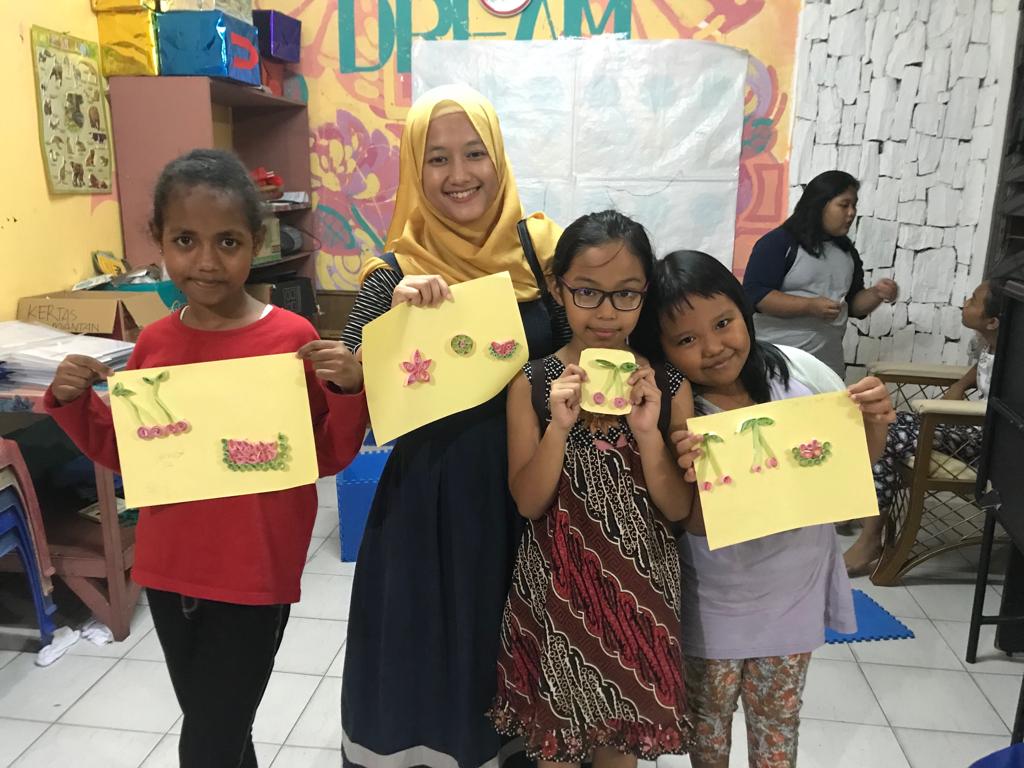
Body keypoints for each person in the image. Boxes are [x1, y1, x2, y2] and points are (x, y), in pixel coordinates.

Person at [45, 149, 368, 768]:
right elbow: (132, 453)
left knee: (208, 744)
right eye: (185, 240)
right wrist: (72, 404)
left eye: (228, 242)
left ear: (256, 243)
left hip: (254, 569)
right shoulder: (157, 342)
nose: (207, 261)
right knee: (219, 725)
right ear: (160, 243)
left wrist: (348, 391)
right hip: (169, 569)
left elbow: (324, 454)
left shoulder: (290, 341)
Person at [339, 85, 564, 768]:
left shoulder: (545, 250)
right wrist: (392, 322)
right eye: (437, 159)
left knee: (524, 647)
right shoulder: (394, 271)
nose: (459, 174)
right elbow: (349, 374)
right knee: (434, 642)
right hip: (432, 499)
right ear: (415, 168)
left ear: (499, 159)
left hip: (538, 492)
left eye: (474, 154)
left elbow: (608, 327)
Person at [641, 250, 895, 768]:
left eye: (723, 323)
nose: (712, 348)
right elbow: (689, 520)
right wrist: (686, 467)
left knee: (777, 725)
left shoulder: (789, 376)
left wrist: (875, 424)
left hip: (792, 590)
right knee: (708, 728)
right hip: (716, 601)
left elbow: (841, 473)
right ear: (663, 350)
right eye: (686, 340)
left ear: (743, 311)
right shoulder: (678, 410)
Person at [489, 211, 695, 765]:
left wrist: (649, 433)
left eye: (625, 295)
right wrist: (558, 425)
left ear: (645, 294)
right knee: (555, 747)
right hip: (556, 591)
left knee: (618, 751)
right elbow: (528, 501)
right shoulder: (531, 384)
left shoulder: (670, 386)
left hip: (641, 594)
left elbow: (678, 509)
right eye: (587, 292)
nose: (606, 312)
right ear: (558, 289)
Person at [843, 279, 1002, 575]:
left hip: (985, 441)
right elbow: (980, 368)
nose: (965, 302)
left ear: (993, 321)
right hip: (966, 426)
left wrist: (955, 407)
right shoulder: (990, 345)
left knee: (889, 434)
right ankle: (860, 513)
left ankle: (869, 539)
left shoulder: (1014, 360)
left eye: (974, 301)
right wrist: (961, 384)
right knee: (874, 422)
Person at [743, 170, 899, 376]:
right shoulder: (778, 243)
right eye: (844, 205)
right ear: (819, 204)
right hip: (775, 364)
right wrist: (809, 306)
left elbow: (853, 306)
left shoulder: (847, 252)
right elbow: (756, 296)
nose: (851, 213)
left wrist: (877, 293)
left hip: (828, 366)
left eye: (854, 205)